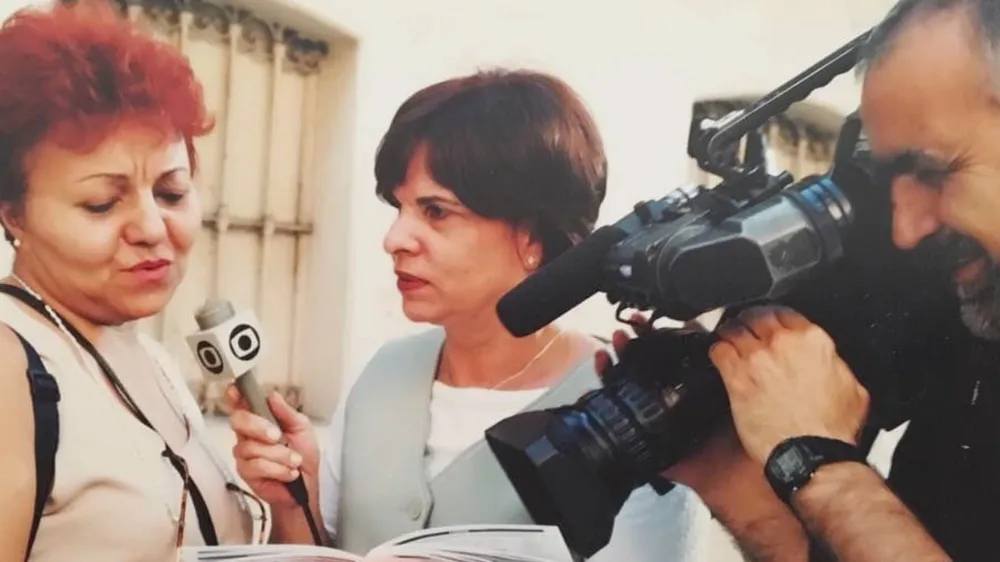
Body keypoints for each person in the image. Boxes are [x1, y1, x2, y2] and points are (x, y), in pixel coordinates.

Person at [227, 69, 729, 561]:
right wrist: (296, 501)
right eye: (398, 208)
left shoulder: (630, 416)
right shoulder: (382, 376)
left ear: (530, 237)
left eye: (436, 212)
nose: (395, 239)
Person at [604, 0, 1000, 560]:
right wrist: (732, 479)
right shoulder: (977, 334)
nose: (906, 229)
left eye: (933, 171)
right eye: (890, 180)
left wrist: (820, 465)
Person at [0, 2, 264, 561]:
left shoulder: (150, 359)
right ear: (13, 214)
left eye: (172, 193)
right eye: (100, 204)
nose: (150, 228)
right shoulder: (9, 365)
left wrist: (286, 501)